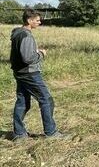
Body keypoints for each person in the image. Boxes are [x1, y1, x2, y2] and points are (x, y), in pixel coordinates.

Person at [10, 9, 64, 141]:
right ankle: (51, 133)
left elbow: (22, 54)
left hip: (20, 73)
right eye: (37, 20)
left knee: (22, 102)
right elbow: (28, 58)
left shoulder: (17, 33)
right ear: (29, 21)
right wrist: (41, 54)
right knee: (46, 99)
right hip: (30, 74)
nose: (40, 22)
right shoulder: (26, 35)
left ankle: (19, 134)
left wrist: (34, 51)